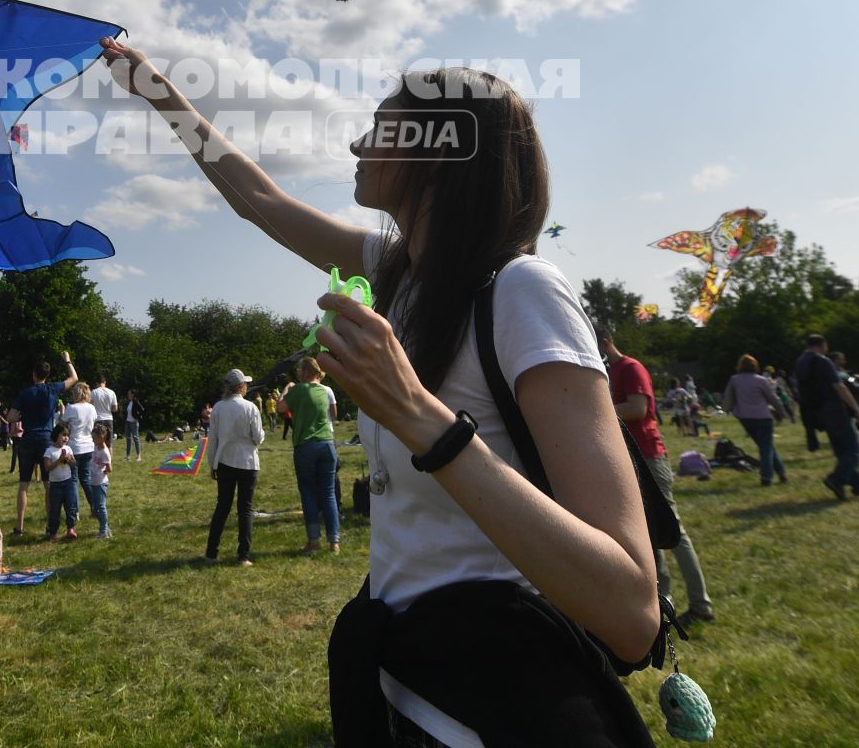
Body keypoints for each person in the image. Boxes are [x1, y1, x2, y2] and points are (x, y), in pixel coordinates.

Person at [101, 40, 661, 744]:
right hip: (409, 678)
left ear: (436, 151)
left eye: (379, 126)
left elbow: (632, 609)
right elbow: (258, 199)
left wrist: (420, 417)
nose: (357, 141)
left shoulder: (523, 292)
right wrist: (161, 96)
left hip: (501, 694)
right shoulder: (395, 274)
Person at [597, 321, 712, 627]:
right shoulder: (607, 373)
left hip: (649, 456)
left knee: (673, 532)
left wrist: (593, 404)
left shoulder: (631, 368)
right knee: (646, 536)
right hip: (628, 459)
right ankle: (663, 603)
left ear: (607, 343)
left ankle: (701, 604)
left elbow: (637, 409)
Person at [796, 335, 859, 500]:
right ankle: (836, 479)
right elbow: (839, 386)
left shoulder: (800, 362)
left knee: (841, 450)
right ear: (822, 344)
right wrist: (857, 409)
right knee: (853, 450)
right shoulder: (823, 361)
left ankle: (858, 487)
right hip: (834, 409)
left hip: (817, 411)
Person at [11, 354, 78, 537]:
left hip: (28, 440)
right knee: (49, 485)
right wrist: (67, 359)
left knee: (23, 485)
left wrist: (18, 417)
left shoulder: (25, 393)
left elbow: (11, 417)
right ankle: (51, 525)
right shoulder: (52, 389)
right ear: (47, 375)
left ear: (34, 374)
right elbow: (74, 378)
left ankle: (20, 527)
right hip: (47, 440)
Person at [203, 369, 264, 566]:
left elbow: (212, 439)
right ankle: (243, 556)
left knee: (222, 507)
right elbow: (258, 437)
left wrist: (212, 463)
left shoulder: (219, 408)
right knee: (245, 509)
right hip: (247, 462)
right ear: (241, 387)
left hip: (225, 462)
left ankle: (212, 552)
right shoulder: (250, 408)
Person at [283, 357, 341, 554]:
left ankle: (314, 541)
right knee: (329, 493)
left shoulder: (299, 389)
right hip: (327, 443)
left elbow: (280, 408)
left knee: (308, 492)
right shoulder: (326, 390)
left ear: (306, 372)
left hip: (306, 445)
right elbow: (333, 414)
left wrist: (287, 389)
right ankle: (334, 542)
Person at [722, 355, 788, 485]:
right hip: (763, 417)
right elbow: (772, 398)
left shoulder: (735, 379)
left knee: (766, 447)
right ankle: (766, 477)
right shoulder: (761, 380)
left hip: (745, 418)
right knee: (766, 447)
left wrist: (728, 410)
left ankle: (782, 474)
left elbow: (728, 397)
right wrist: (782, 412)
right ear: (755, 366)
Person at [61, 383, 99, 508]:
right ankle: (94, 506)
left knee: (73, 480)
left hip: (75, 446)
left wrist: (62, 412)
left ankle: (74, 510)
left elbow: (62, 423)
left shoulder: (72, 408)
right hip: (88, 446)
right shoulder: (92, 408)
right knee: (86, 479)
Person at [41, 430, 79, 541]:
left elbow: (74, 463)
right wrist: (59, 460)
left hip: (68, 483)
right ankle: (53, 532)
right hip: (55, 486)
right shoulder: (49, 451)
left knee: (71, 507)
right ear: (55, 436)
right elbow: (47, 468)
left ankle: (71, 529)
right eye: (63, 435)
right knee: (55, 510)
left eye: (67, 435)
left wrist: (70, 460)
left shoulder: (68, 449)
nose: (66, 438)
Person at [83, 424, 114, 538]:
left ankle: (103, 531)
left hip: (100, 483)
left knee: (101, 507)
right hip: (95, 482)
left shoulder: (105, 452)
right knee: (97, 507)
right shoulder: (97, 447)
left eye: (94, 438)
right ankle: (105, 528)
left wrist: (101, 472)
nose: (93, 440)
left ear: (102, 437)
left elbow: (110, 468)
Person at [89, 377, 118, 450]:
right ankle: (109, 460)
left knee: (97, 443)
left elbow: (90, 406)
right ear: (105, 382)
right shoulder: (111, 392)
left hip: (97, 419)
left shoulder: (94, 392)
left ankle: (98, 460)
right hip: (108, 419)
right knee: (109, 444)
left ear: (97, 383)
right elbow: (115, 409)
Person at [122, 390, 144, 462]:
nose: (128, 395)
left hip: (134, 423)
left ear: (132, 394)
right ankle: (128, 456)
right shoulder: (129, 402)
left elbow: (142, 410)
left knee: (136, 438)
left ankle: (138, 456)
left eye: (129, 394)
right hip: (128, 422)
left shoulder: (135, 401)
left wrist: (137, 418)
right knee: (128, 439)